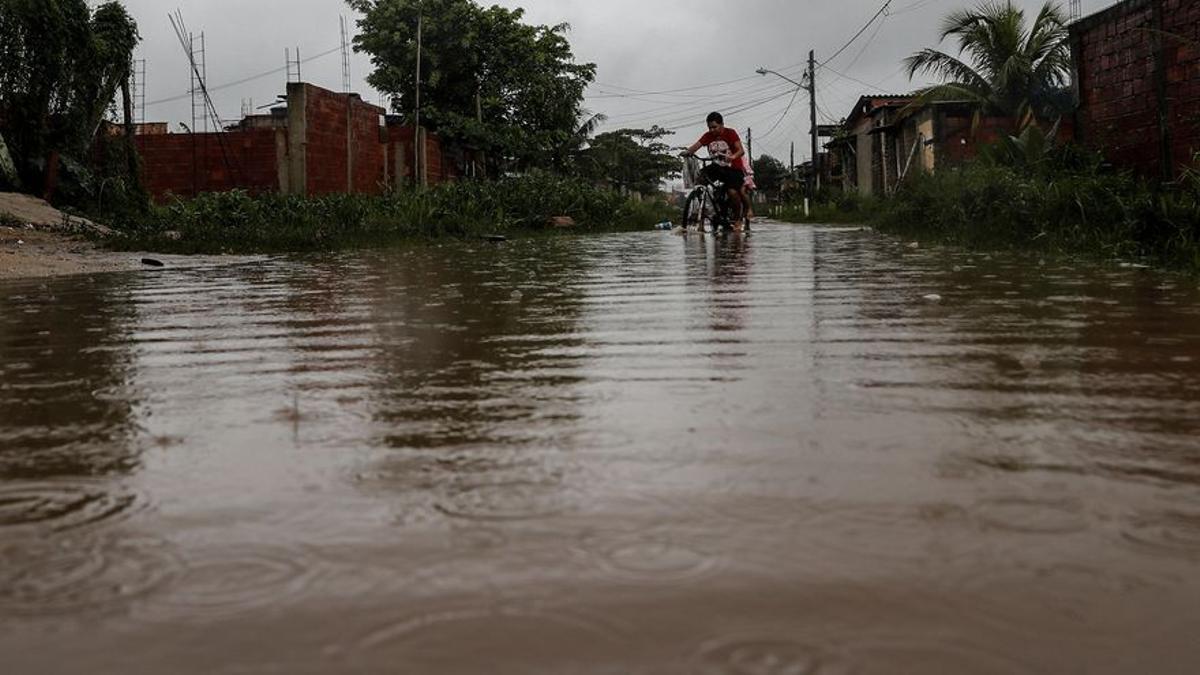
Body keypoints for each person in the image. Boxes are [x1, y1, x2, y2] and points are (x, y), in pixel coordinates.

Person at [682, 112, 747, 231]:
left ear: (722, 124)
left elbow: (741, 151)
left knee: (733, 193)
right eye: (710, 127)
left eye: (714, 127)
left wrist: (733, 156)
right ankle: (700, 212)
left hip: (733, 168)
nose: (712, 130)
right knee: (700, 180)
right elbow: (697, 145)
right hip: (716, 167)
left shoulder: (730, 133)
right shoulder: (708, 136)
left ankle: (738, 219)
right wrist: (687, 152)